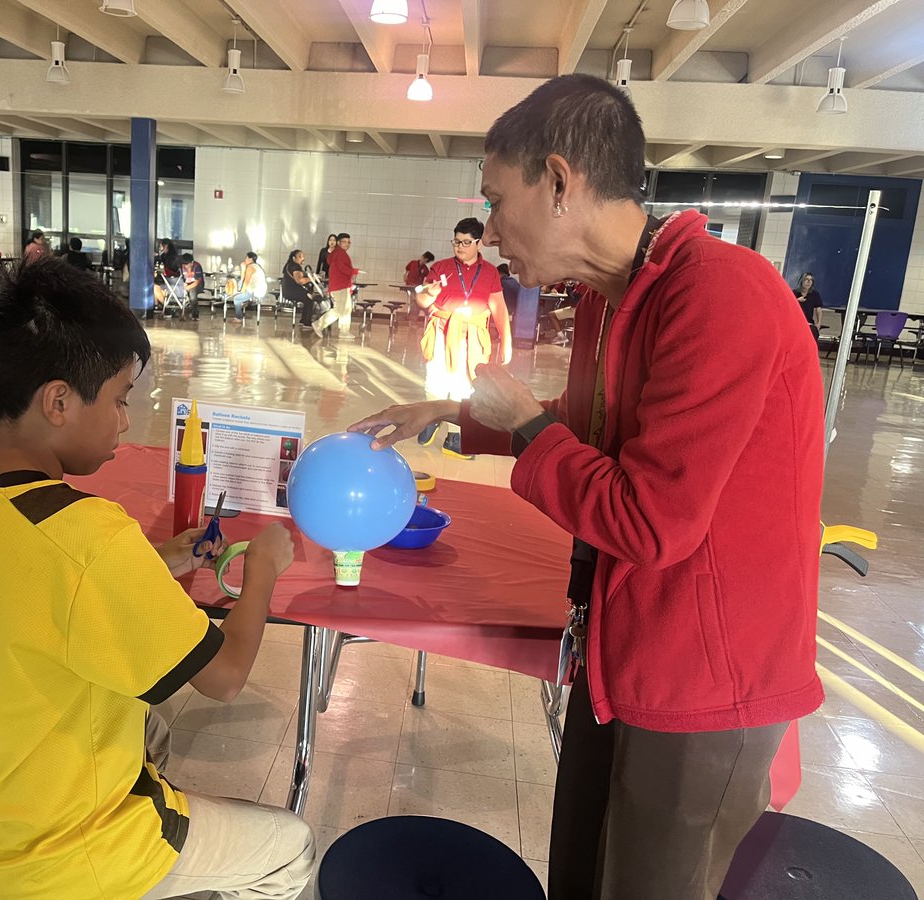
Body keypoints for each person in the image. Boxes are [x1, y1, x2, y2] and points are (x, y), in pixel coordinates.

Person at [349, 74, 824, 900]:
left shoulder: (720, 293)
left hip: (704, 682)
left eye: (498, 202)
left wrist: (529, 427)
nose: (492, 231)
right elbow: (596, 420)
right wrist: (454, 414)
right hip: (626, 647)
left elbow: (650, 523)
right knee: (581, 874)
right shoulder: (615, 301)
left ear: (560, 182)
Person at [0, 257, 313, 900]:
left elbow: (29, 585)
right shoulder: (89, 535)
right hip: (55, 859)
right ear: (59, 401)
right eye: (120, 399)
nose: (125, 420)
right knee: (291, 846)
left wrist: (154, 561)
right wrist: (262, 570)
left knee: (150, 724)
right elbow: (225, 678)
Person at [412, 218, 510, 460]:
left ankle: (455, 435)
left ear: (478, 243)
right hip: (441, 332)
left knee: (464, 386)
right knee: (435, 381)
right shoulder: (441, 268)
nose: (459, 247)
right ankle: (432, 418)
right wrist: (428, 293)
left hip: (472, 337)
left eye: (466, 242)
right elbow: (422, 301)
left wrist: (507, 343)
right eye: (456, 241)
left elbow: (498, 307)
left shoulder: (490, 272)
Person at [313, 233, 360, 337]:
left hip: (340, 285)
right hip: (340, 286)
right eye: (344, 242)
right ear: (339, 243)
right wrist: (354, 271)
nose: (347, 244)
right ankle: (319, 325)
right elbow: (342, 268)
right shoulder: (340, 253)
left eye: (349, 242)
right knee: (339, 309)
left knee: (346, 308)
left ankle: (344, 331)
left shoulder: (337, 253)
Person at [500, 262, 541, 348]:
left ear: (499, 273)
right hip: (517, 309)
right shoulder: (513, 281)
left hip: (508, 309)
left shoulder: (501, 282)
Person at [229, 251, 267, 323]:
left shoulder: (251, 267)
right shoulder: (256, 266)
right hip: (256, 289)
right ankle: (245, 301)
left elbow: (246, 281)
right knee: (240, 285)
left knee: (236, 299)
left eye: (246, 258)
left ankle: (239, 317)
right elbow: (243, 279)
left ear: (250, 259)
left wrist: (241, 291)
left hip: (256, 290)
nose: (245, 259)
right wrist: (243, 268)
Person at [282, 250, 315, 331]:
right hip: (293, 291)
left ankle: (303, 320)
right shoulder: (295, 267)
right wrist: (311, 279)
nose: (303, 258)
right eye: (300, 256)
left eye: (303, 256)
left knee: (307, 298)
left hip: (287, 291)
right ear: (294, 258)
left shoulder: (288, 265)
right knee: (310, 298)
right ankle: (306, 322)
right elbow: (299, 281)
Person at [795, 272, 823, 339]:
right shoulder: (794, 293)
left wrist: (818, 323)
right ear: (802, 281)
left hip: (808, 323)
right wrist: (797, 300)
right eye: (806, 279)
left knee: (814, 331)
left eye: (811, 280)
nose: (809, 282)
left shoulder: (814, 294)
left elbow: (818, 309)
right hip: (796, 322)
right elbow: (788, 306)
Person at [180, 252, 203, 321]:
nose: (185, 266)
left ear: (191, 262)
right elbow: (182, 279)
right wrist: (184, 285)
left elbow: (197, 282)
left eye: (187, 264)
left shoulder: (197, 266)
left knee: (192, 292)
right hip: (187, 283)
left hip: (197, 284)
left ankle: (195, 313)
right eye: (184, 264)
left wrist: (187, 288)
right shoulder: (182, 267)